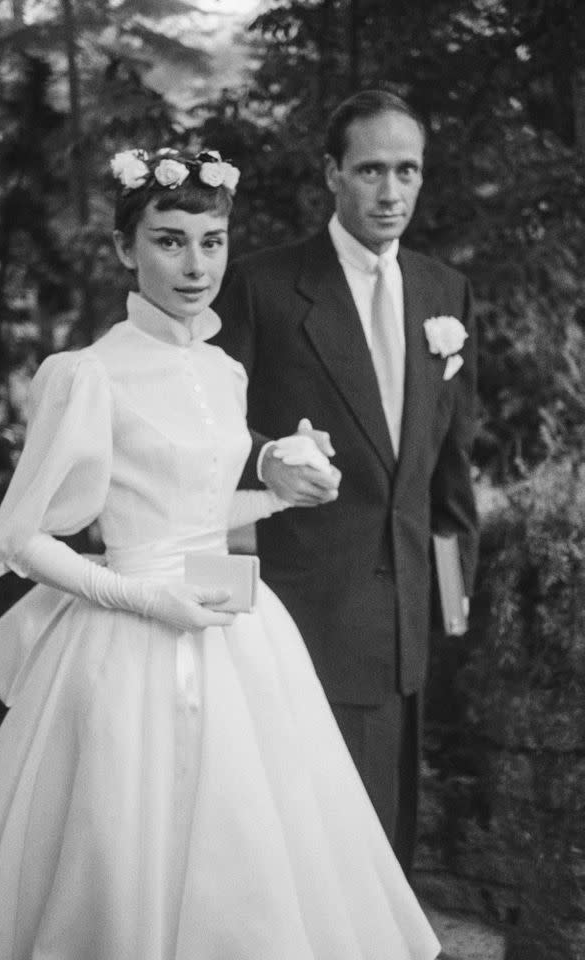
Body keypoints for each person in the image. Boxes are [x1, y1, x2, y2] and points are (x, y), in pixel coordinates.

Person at [0, 146, 441, 960]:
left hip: (238, 627)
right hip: (129, 638)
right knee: (124, 841)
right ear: (124, 248)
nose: (195, 265)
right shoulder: (87, 373)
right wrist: (142, 598)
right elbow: (19, 539)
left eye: (212, 242)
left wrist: (281, 493)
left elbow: (202, 518)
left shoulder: (221, 371)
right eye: (169, 241)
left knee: (251, 841)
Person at [213, 89, 479, 874]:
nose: (391, 191)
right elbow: (204, 433)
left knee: (389, 849)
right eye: (370, 170)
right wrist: (272, 457)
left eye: (407, 170)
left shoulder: (446, 293)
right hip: (300, 614)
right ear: (331, 173)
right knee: (312, 857)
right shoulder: (262, 286)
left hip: (407, 624)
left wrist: (452, 596)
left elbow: (450, 466)